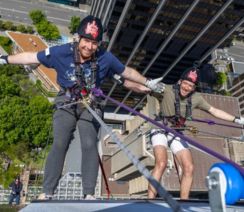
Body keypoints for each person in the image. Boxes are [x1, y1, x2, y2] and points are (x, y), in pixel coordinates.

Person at [0, 15, 164, 200]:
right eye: (86, 41)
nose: (89, 47)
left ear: (99, 43)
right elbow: (31, 56)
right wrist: (5, 59)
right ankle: (47, 192)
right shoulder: (61, 52)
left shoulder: (105, 58)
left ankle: (89, 194)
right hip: (67, 102)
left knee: (89, 144)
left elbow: (126, 74)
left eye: (94, 43)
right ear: (78, 37)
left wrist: (148, 84)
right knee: (60, 143)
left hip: (91, 104)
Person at [148, 66, 244, 200]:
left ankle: (184, 202)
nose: (187, 88)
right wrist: (144, 83)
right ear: (180, 81)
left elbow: (214, 111)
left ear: (194, 88)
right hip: (160, 127)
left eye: (191, 86)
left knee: (189, 167)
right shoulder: (167, 89)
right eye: (186, 83)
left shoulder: (197, 98)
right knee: (161, 163)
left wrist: (237, 119)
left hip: (177, 131)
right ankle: (150, 200)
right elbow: (142, 88)